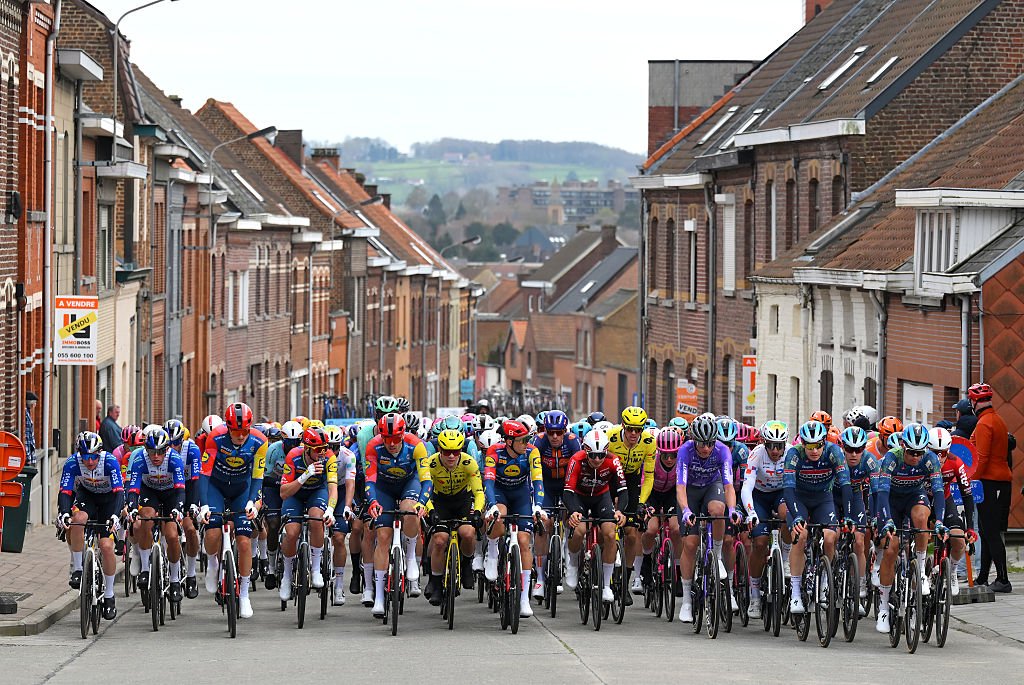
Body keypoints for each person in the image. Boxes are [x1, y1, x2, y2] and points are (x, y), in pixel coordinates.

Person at [197, 402, 267, 619]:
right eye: (237, 431)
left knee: (245, 541)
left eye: (245, 430)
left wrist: (252, 501)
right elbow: (204, 473)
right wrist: (204, 504)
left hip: (242, 490)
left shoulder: (259, 441)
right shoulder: (215, 438)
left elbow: (258, 476)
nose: (241, 435)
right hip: (216, 487)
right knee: (213, 532)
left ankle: (244, 594)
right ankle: (211, 563)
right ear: (228, 428)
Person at [875, 423, 945, 633]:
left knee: (923, 519)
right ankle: (883, 607)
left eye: (919, 453)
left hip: (915, 496)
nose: (916, 457)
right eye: (912, 452)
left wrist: (940, 521)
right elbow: (882, 494)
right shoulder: (892, 458)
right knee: (890, 550)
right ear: (903, 446)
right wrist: (887, 520)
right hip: (891, 502)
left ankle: (921, 570)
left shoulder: (930, 458)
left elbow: (939, 492)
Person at [783, 419, 853, 616]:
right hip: (799, 499)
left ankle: (824, 581)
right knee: (800, 536)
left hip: (824, 499)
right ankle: (796, 591)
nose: (814, 450)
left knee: (831, 537)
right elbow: (787, 489)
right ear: (803, 444)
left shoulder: (834, 452)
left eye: (819, 445)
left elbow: (846, 485)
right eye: (810, 446)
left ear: (824, 442)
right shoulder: (794, 454)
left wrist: (847, 516)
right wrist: (796, 516)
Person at [676, 414, 741, 623]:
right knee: (691, 543)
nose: (706, 448)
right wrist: (685, 510)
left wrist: (732, 509)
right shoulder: (685, 451)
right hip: (691, 492)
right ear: (694, 439)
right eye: (702, 443)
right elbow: (680, 486)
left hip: (712, 487)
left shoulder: (722, 451)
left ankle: (718, 557)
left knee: (718, 509)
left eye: (710, 443)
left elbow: (729, 485)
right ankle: (686, 600)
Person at [364, 413, 431, 615]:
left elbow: (427, 481)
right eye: (387, 439)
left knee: (410, 510)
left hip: (409, 484)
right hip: (383, 488)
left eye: (395, 439)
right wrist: (373, 501)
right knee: (382, 537)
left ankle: (411, 558)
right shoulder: (373, 446)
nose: (391, 444)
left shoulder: (416, 445)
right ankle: (379, 597)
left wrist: (422, 502)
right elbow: (369, 480)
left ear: (403, 435)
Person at [56, 431, 123, 620]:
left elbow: (119, 493)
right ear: (80, 455)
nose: (90, 461)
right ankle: (78, 569)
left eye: (94, 457)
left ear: (99, 453)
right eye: (86, 457)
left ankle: (109, 595)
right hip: (88, 497)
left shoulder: (109, 462)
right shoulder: (72, 463)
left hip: (109, 499)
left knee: (107, 546)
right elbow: (65, 491)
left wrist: (116, 516)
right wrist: (64, 513)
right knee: (77, 519)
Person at [483, 419, 545, 618]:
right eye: (522, 440)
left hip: (520, 494)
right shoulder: (494, 452)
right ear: (509, 442)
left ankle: (524, 598)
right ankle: (492, 553)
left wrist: (537, 506)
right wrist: (492, 506)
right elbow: (489, 483)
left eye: (528, 438)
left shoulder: (531, 452)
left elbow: (537, 480)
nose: (527, 442)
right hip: (500, 493)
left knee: (524, 542)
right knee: (498, 522)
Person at [562, 429, 627, 605]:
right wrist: (574, 511)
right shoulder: (576, 460)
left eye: (601, 455)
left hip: (601, 497)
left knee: (610, 533)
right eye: (592, 455)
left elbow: (623, 491)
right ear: (585, 450)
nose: (597, 460)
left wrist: (620, 510)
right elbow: (567, 492)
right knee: (579, 529)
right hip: (579, 497)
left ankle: (606, 585)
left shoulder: (614, 461)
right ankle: (574, 563)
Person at [423, 429, 485, 604]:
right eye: (446, 452)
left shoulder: (468, 462)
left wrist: (478, 512)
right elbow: (424, 491)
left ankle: (466, 563)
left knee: (467, 533)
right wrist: (431, 511)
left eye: (455, 452)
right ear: (439, 450)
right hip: (440, 501)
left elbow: (478, 492)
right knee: (440, 540)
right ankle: (435, 583)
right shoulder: (431, 464)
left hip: (463, 500)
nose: (451, 456)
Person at [278, 426, 338, 601]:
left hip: (316, 492)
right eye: (319, 449)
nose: (322, 453)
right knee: (291, 533)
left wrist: (331, 509)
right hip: (294, 494)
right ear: (307, 448)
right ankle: (287, 576)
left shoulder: (329, 458)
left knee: (316, 520)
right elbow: (283, 492)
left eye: (325, 448)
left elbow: (333, 488)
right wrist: (304, 476)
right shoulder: (293, 456)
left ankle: (316, 569)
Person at [126, 426, 186, 602]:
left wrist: (178, 509)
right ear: (146, 450)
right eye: (152, 452)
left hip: (171, 494)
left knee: (172, 535)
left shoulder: (174, 459)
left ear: (166, 449)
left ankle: (174, 580)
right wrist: (131, 508)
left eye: (160, 452)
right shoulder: (139, 459)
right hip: (149, 491)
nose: (156, 457)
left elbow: (181, 489)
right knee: (145, 518)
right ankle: (145, 568)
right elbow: (134, 488)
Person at [740, 420, 792, 620]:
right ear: (764, 443)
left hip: (780, 493)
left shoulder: (791, 453)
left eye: (779, 446)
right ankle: (754, 597)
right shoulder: (756, 454)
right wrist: (751, 512)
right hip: (760, 496)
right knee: (760, 543)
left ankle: (785, 560)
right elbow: (747, 487)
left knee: (787, 515)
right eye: (771, 445)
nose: (776, 451)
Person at [605, 406, 657, 603]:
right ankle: (603, 576)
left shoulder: (649, 443)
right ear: (623, 426)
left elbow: (649, 477)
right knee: (607, 530)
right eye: (630, 429)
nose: (634, 433)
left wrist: (641, 503)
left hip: (633, 482)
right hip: (609, 479)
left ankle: (624, 583)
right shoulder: (610, 437)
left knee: (632, 534)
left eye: (638, 429)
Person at [531, 409, 580, 599]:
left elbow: (579, 467)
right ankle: (541, 579)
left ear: (564, 431)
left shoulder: (573, 441)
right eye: (550, 431)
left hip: (567, 485)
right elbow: (532, 471)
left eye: (558, 432)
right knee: (544, 526)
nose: (554, 436)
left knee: (570, 522)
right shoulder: (538, 441)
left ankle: (569, 556)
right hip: (546, 486)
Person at [968, 383, 1012, 592]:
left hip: (990, 482)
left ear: (974, 402)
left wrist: (970, 481)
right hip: (1000, 482)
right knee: (986, 531)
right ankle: (983, 577)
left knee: (991, 532)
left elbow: (982, 458)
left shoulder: (985, 423)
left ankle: (1003, 579)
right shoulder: (997, 419)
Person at [24, 391, 37, 465]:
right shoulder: (26, 415)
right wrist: (28, 456)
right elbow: (27, 437)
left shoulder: (27, 413)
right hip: (27, 458)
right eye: (34, 403)